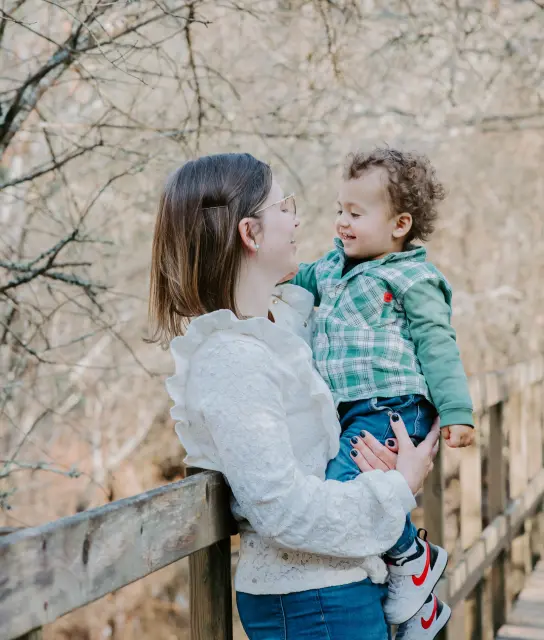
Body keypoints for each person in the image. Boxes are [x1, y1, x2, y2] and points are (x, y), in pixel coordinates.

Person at [149, 152, 439, 639]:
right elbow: (282, 508)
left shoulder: (283, 326)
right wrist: (397, 487)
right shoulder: (232, 361)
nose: (298, 217)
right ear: (251, 233)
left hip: (339, 586)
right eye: (283, 205)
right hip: (311, 602)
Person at [290, 148, 474, 638]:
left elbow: (438, 345)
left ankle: (409, 558)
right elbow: (287, 278)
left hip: (392, 407)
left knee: (346, 490)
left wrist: (457, 411)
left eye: (355, 213)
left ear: (399, 224)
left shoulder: (412, 277)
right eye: (339, 210)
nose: (342, 223)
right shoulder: (329, 268)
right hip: (349, 413)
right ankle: (420, 602)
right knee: (357, 492)